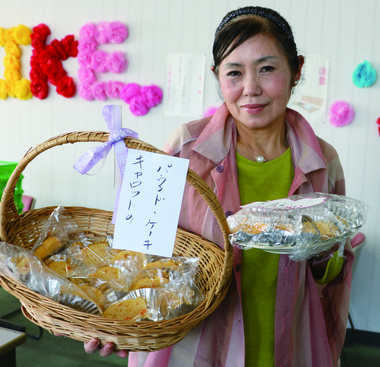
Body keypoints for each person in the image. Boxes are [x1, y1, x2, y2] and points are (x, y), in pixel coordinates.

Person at [85, 6, 353, 366]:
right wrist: (111, 317)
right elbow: (134, 252)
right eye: (234, 73)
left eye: (267, 68)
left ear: (297, 70)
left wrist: (320, 251)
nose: (250, 89)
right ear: (217, 76)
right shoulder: (183, 147)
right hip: (195, 349)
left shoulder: (323, 161)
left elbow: (331, 273)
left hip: (286, 347)